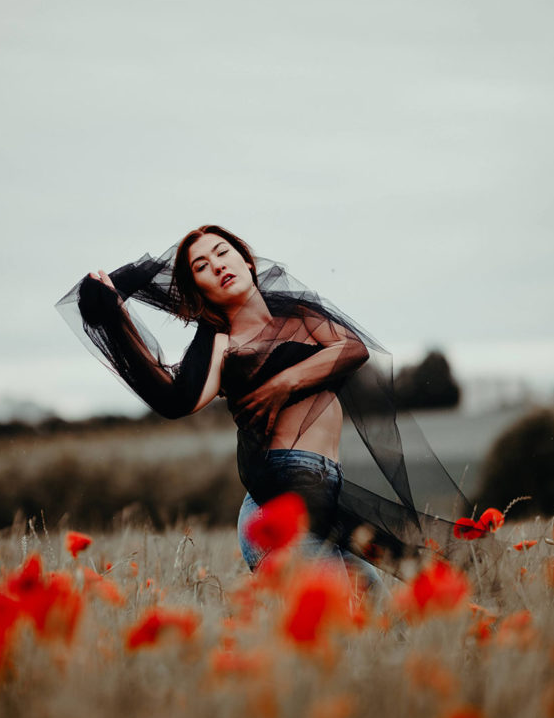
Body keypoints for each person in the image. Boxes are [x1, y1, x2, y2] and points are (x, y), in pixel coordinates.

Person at [56, 225, 471, 586]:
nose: (217, 265)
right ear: (198, 289)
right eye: (201, 267)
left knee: (381, 630)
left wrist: (283, 384)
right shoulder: (220, 343)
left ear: (247, 260)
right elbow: (177, 399)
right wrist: (115, 315)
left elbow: (352, 349)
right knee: (342, 633)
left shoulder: (302, 315)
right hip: (279, 502)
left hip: (327, 494)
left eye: (222, 252)